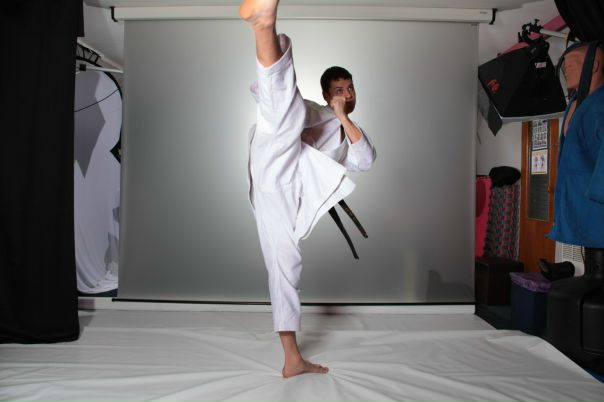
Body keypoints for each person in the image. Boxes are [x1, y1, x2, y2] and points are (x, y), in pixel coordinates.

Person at [240, 0, 376, 378]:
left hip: (283, 192)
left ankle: (292, 359)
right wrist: (330, 111)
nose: (345, 94)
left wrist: (343, 117)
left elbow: (366, 160)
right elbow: (292, 111)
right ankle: (264, 27)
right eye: (338, 89)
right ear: (327, 93)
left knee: (285, 265)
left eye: (349, 88)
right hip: (275, 157)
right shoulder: (316, 110)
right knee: (287, 114)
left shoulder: (349, 133)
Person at [546, 42, 604, 275]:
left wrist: (599, 193)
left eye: (572, 64)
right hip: (578, 195)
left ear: (594, 65)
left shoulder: (600, 104)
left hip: (595, 201)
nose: (566, 70)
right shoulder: (576, 103)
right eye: (564, 66)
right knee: (591, 263)